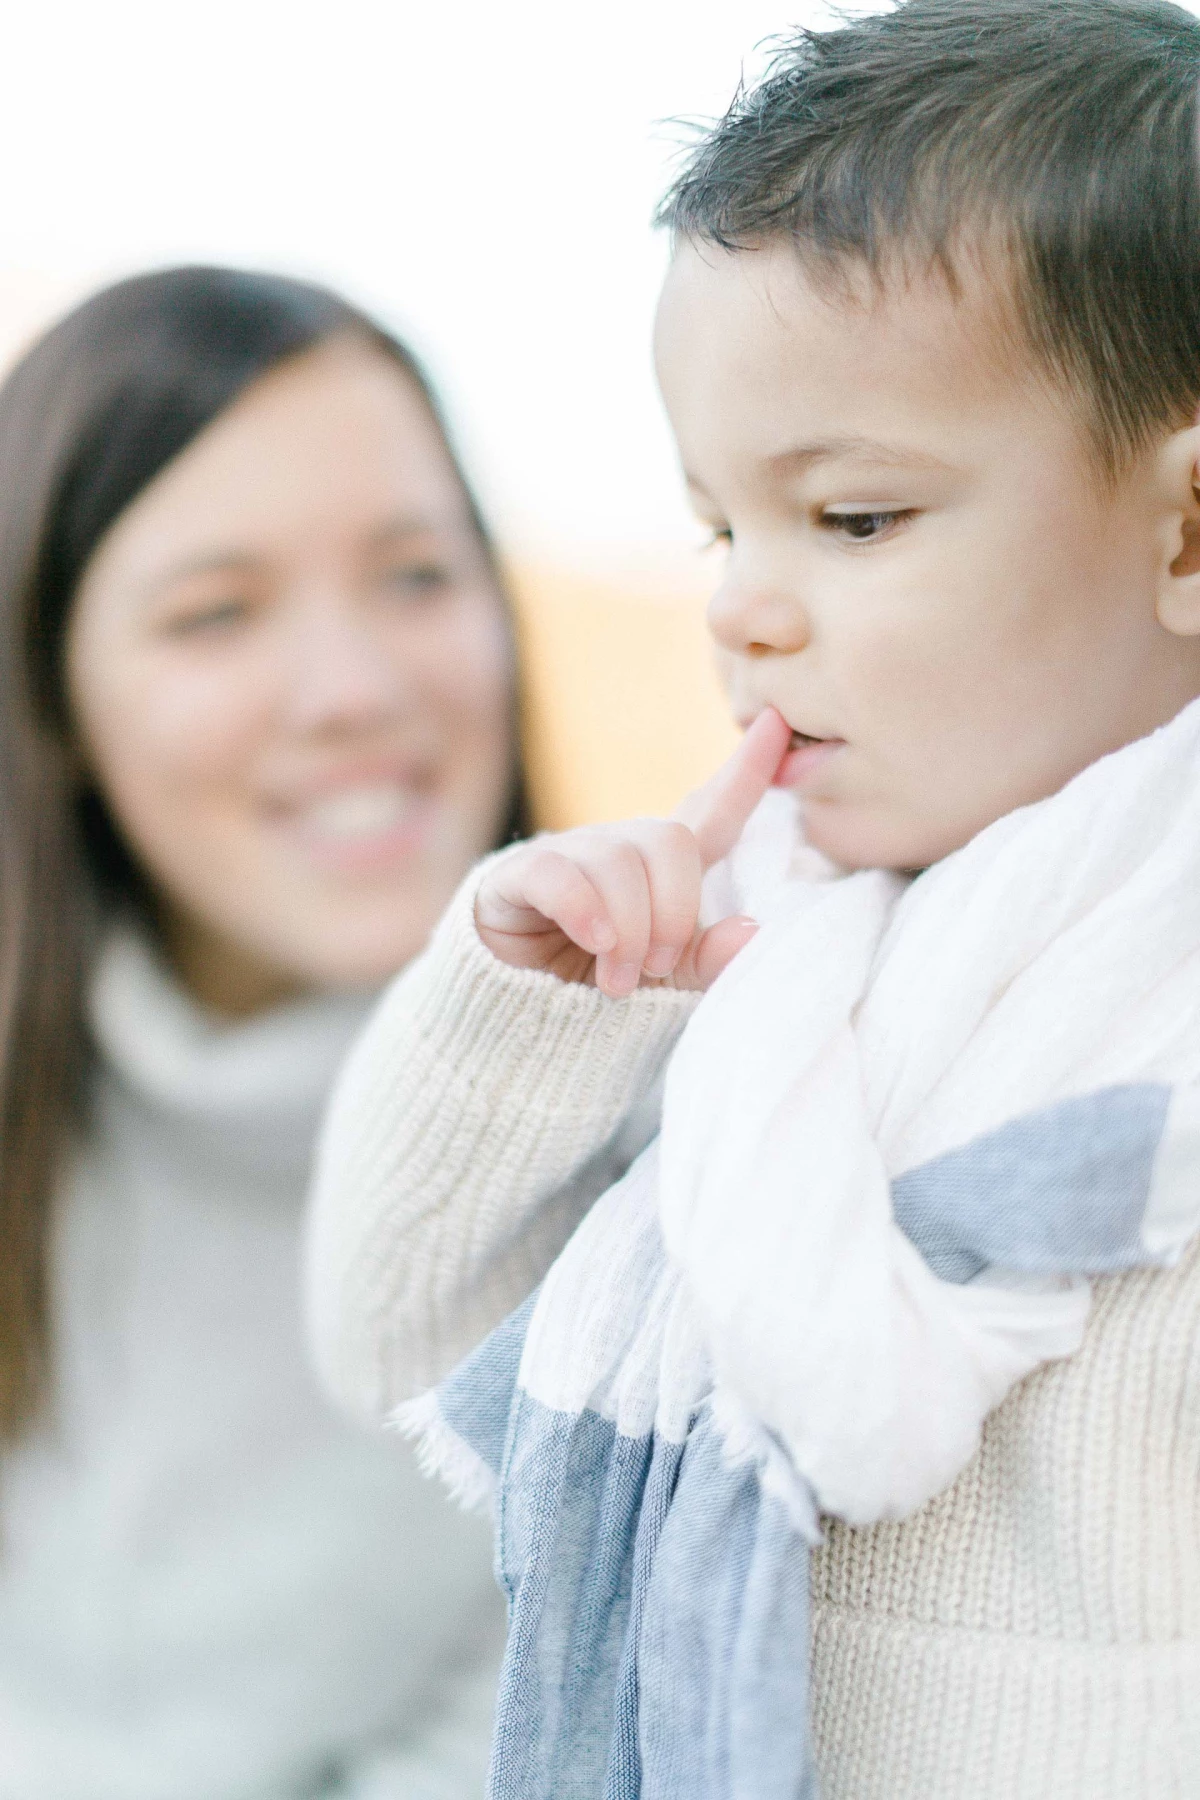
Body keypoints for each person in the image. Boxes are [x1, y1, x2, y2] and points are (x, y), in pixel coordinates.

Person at [306, 2, 1200, 1795]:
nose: (740, 609)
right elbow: (388, 1330)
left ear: (1184, 533)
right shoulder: (766, 954)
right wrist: (531, 1009)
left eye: (854, 520)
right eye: (721, 528)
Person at [0, 265, 526, 1797]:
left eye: (415, 576)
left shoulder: (680, 1165)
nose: (353, 691)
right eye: (217, 613)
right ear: (54, 699)